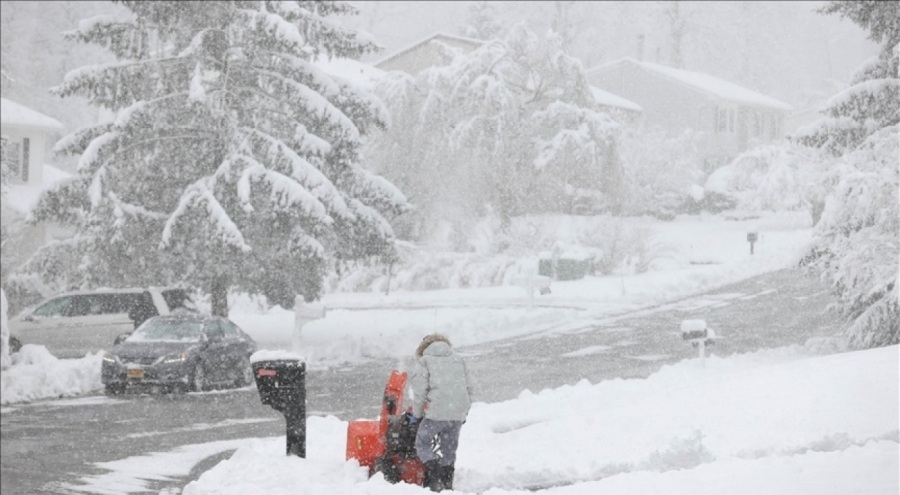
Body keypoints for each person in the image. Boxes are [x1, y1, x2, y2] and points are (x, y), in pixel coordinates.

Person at [408, 333, 473, 492]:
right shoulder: (459, 359)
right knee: (449, 448)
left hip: (436, 413)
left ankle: (433, 475)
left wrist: (416, 416)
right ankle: (447, 483)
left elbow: (419, 393)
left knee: (422, 442)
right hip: (457, 411)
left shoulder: (424, 362)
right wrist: (464, 412)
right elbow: (469, 388)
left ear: (423, 348)